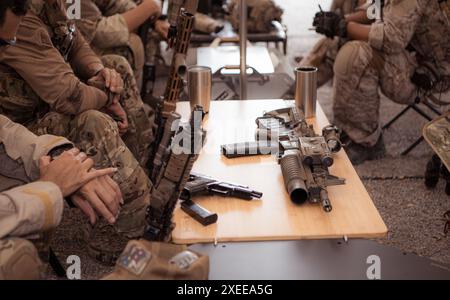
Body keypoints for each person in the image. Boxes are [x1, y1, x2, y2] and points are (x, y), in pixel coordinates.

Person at [0, 0, 157, 264]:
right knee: (94, 123)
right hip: (25, 121)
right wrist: (107, 97)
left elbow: (75, 42)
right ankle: (119, 243)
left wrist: (100, 72)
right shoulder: (19, 16)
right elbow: (69, 96)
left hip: (32, 119)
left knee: (114, 67)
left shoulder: (48, 4)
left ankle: (144, 180)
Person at [313, 0, 450, 165]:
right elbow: (375, 9)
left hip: (430, 75)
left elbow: (390, 38)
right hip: (412, 55)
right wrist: (340, 20)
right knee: (334, 43)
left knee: (355, 55)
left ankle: (365, 141)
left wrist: (343, 26)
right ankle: (293, 97)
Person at [72, 0, 169, 90]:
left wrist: (151, 18)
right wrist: (148, 8)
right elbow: (97, 34)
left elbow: (112, 3)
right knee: (132, 44)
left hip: (82, 44)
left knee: (151, 32)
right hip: (70, 56)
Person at [299, 0, 366, 87]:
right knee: (321, 48)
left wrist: (340, 22)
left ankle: (299, 86)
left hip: (361, 44)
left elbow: (370, 14)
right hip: (340, 41)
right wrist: (330, 21)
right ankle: (298, 85)